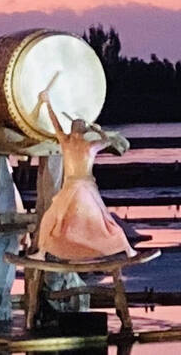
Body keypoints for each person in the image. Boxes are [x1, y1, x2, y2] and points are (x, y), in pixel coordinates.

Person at [34, 91, 135, 260]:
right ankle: (127, 249)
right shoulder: (90, 146)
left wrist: (48, 103)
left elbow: (56, 124)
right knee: (103, 222)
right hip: (82, 188)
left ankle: (42, 252)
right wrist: (99, 130)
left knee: (53, 220)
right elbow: (107, 141)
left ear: (74, 130)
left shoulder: (67, 142)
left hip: (76, 188)